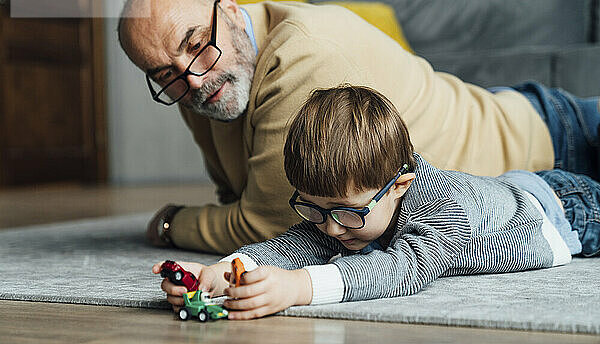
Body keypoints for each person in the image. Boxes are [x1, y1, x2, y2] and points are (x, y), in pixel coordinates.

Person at [118, 0, 600, 254]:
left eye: (196, 44)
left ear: (227, 8)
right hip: (507, 117)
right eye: (164, 74)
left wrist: (172, 223)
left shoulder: (303, 55)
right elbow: (236, 200)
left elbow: (277, 225)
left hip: (551, 144)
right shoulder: (195, 81)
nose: (194, 80)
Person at [152, 85, 599, 320]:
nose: (330, 228)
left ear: (400, 186)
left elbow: (403, 270)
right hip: (506, 189)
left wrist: (298, 288)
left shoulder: (443, 207)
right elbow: (295, 245)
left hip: (562, 208)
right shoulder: (342, 211)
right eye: (314, 208)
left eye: (347, 213)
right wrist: (217, 274)